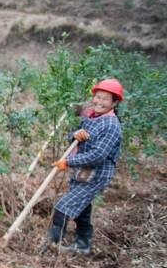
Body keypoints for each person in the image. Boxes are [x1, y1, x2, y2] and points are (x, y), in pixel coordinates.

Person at [43, 78, 124, 255]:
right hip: (82, 172)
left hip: (96, 175)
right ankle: (83, 246)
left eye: (105, 99)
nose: (99, 102)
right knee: (82, 209)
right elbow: (73, 136)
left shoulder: (111, 125)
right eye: (98, 97)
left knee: (63, 207)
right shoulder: (90, 115)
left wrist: (68, 162)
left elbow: (98, 155)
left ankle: (49, 247)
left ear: (114, 103)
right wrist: (75, 134)